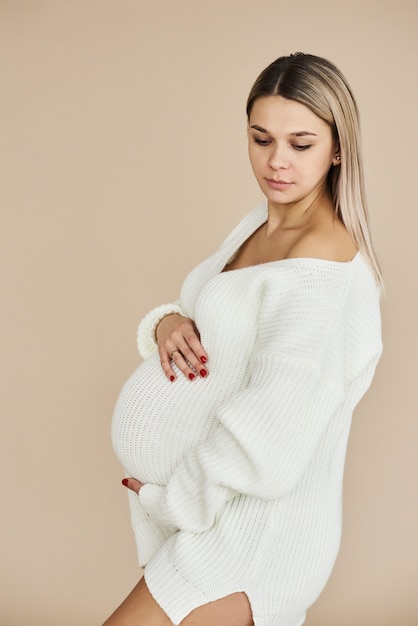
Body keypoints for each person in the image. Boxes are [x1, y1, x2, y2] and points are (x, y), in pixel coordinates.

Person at [105, 52, 383, 626]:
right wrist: (164, 324)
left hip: (253, 533)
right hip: (217, 518)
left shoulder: (324, 272)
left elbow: (269, 437)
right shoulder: (263, 220)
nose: (276, 162)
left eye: (300, 144)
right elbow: (203, 314)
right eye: (261, 138)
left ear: (337, 149)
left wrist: (171, 501)